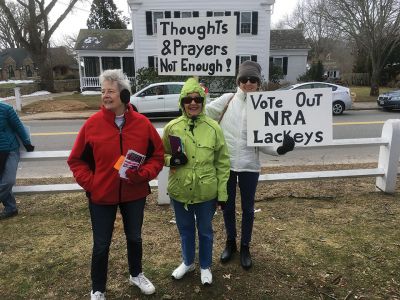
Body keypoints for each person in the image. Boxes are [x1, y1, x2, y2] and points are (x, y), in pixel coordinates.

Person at [67, 69, 164, 299]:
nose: (105, 95)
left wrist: (143, 174)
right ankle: (98, 288)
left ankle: (136, 274)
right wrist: (92, 184)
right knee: (101, 245)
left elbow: (157, 156)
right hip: (101, 196)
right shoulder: (92, 125)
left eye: (110, 91)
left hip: (134, 193)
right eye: (103, 91)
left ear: (125, 95)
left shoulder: (142, 124)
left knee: (135, 237)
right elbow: (75, 160)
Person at [206, 60, 295, 270]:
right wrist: (193, 96)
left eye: (253, 79)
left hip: (249, 165)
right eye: (244, 79)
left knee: (247, 209)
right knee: (227, 206)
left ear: (258, 82)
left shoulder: (264, 105)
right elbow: (203, 113)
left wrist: (280, 149)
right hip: (226, 166)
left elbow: (265, 142)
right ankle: (231, 243)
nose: (248, 83)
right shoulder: (227, 100)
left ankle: (245, 246)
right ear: (238, 81)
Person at [162, 78, 230, 285]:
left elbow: (222, 162)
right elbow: (161, 153)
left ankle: (205, 266)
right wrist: (170, 159)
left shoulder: (213, 128)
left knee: (205, 230)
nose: (193, 103)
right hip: (180, 189)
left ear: (203, 101)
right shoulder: (172, 127)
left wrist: (222, 193)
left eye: (197, 99)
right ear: (182, 102)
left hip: (206, 192)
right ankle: (188, 262)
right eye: (188, 99)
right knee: (185, 229)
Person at [0, 102, 34, 220]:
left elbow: (18, 126)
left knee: (8, 181)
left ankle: (10, 208)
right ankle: (11, 208)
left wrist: (27, 142)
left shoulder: (6, 109)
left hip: (10, 150)